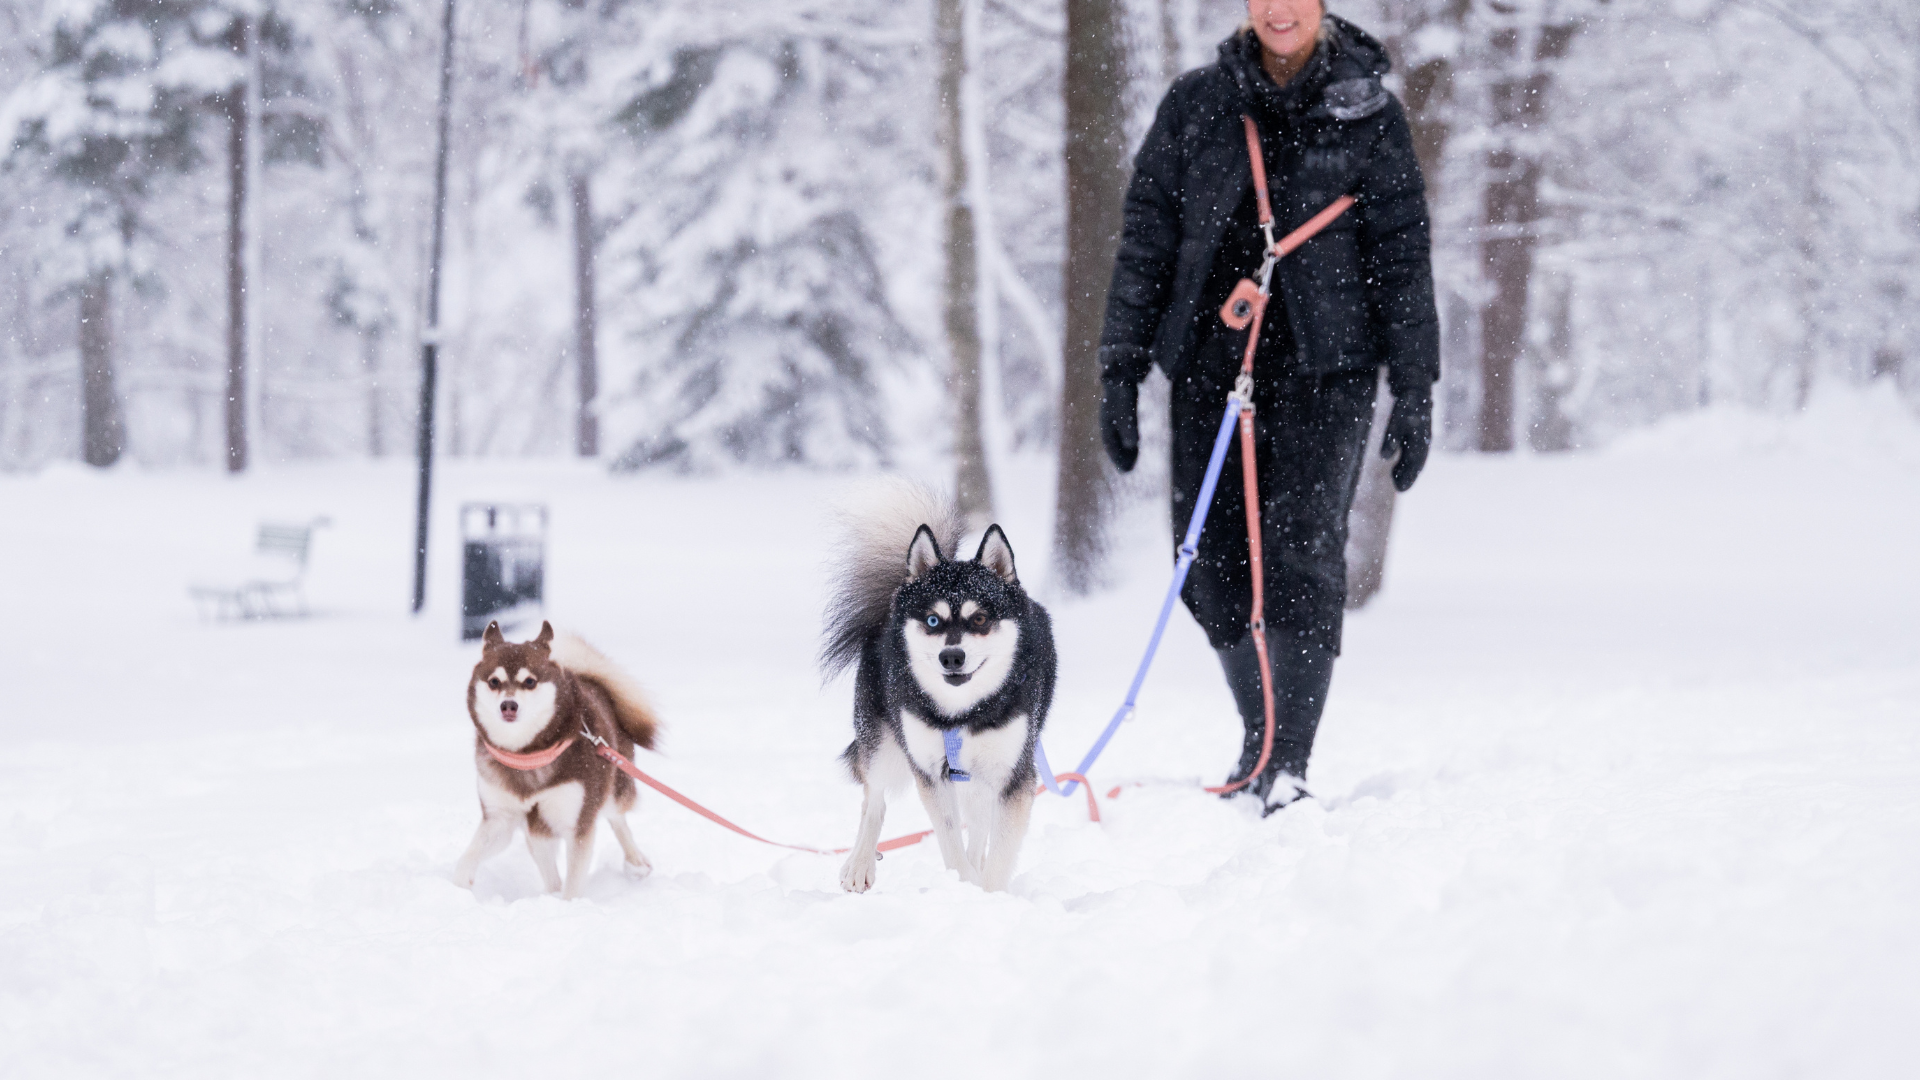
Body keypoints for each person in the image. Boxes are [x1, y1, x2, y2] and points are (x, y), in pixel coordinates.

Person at [1097, 0, 1439, 813]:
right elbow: (1146, 233)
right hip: (1211, 360)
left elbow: (1401, 252)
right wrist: (1119, 365)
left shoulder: (1371, 111)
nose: (1279, 9)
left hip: (1331, 365)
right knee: (1207, 561)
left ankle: (1287, 759)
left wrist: (1415, 385)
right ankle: (1260, 735)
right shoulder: (1196, 101)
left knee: (1298, 551)